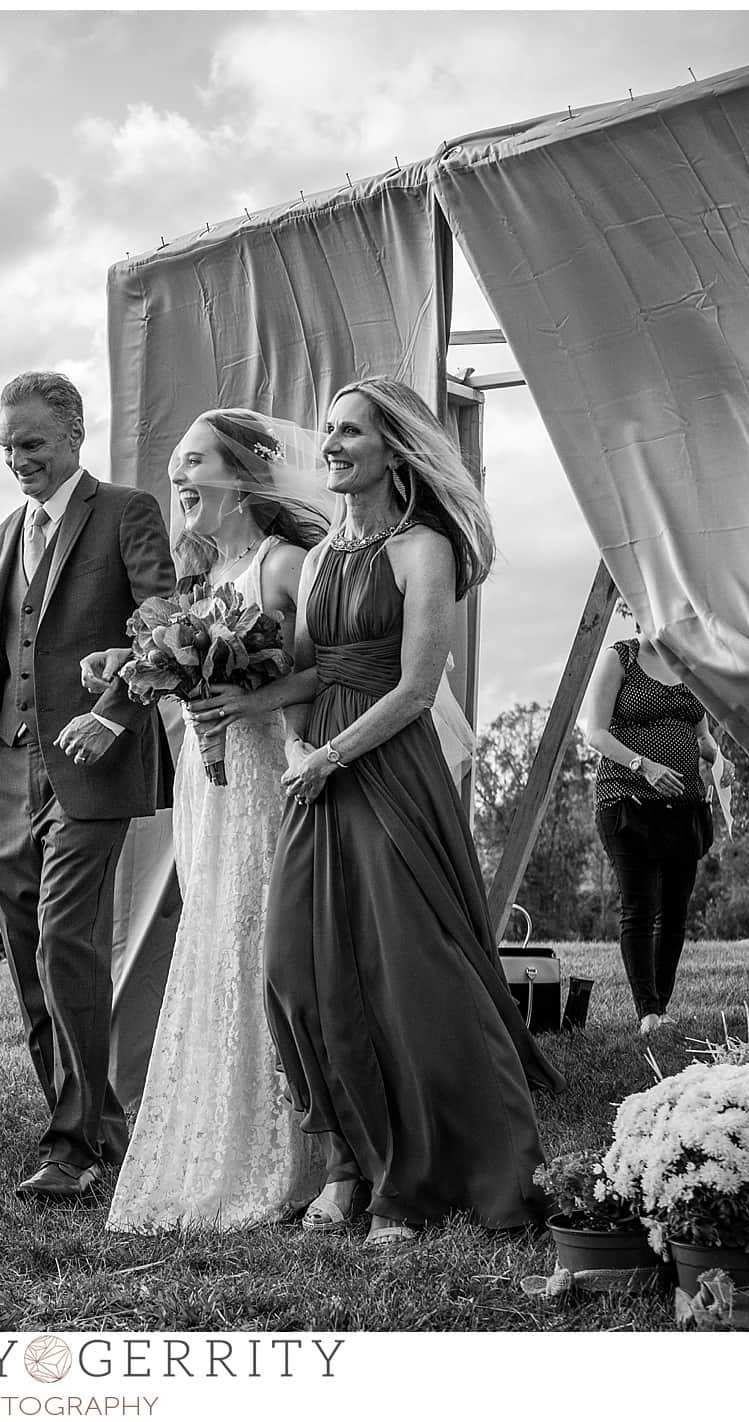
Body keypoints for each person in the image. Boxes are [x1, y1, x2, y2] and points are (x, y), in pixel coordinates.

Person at [193, 377, 564, 1248]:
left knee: (408, 972)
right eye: (327, 429)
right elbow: (311, 670)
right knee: (298, 966)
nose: (330, 444)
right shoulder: (320, 556)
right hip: (314, 766)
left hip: (386, 766)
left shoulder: (422, 548)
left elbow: (415, 685)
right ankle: (345, 1163)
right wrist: (281, 735)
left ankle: (416, 1178)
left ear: (395, 448)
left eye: (350, 431)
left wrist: (328, 753)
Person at [0, 370, 174, 1204]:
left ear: (72, 433)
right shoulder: (5, 532)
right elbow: (1, 654)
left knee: (67, 941)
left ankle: (72, 1146)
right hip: (8, 766)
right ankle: (93, 1132)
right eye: (6, 446)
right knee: (29, 955)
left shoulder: (126, 512)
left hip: (91, 761)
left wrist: (112, 713)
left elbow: (164, 625)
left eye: (31, 443)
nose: (18, 459)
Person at [82, 408, 334, 1233]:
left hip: (265, 770)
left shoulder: (288, 563)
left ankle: (300, 1151)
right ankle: (212, 1139)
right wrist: (129, 664)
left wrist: (250, 696)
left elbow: (334, 672)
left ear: (243, 472)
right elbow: (182, 666)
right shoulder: (194, 582)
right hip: (204, 776)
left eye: (194, 463)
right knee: (212, 937)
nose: (179, 480)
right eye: (176, 466)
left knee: (261, 940)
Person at [577, 596, 728, 1037]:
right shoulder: (620, 657)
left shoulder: (689, 667)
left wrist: (720, 761)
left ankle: (659, 1008)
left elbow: (701, 736)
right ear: (636, 612)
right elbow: (596, 733)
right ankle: (646, 1011)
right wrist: (643, 764)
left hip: (685, 806)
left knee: (676, 912)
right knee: (640, 907)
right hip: (628, 801)